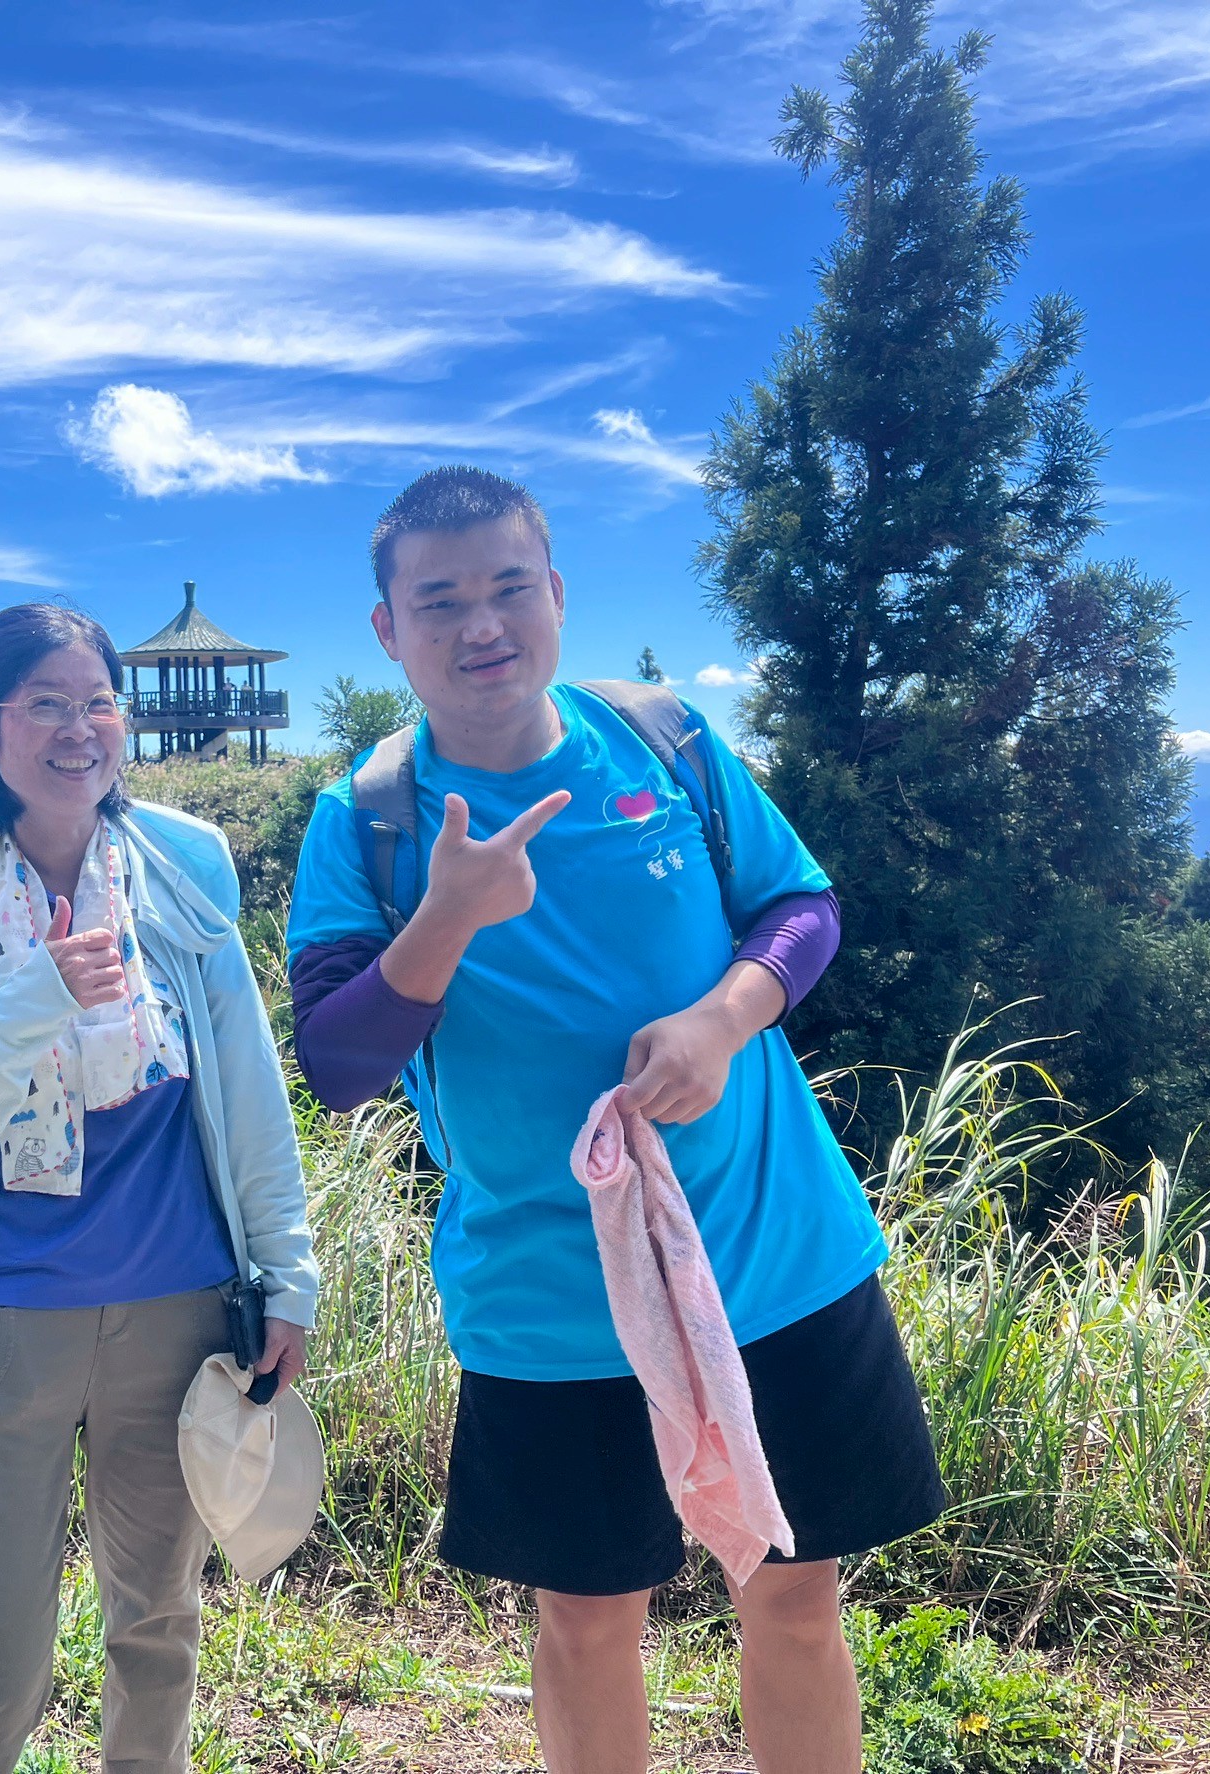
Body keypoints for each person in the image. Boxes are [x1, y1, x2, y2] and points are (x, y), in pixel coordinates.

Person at [286, 468, 945, 1774]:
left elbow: (801, 908)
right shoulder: (366, 821)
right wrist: (446, 913)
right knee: (587, 1624)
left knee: (797, 1595)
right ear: (387, 629)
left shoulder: (663, 738)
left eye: (508, 587)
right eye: (440, 600)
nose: (482, 624)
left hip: (776, 1249)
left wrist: (723, 1019)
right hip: (549, 1293)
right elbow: (339, 1063)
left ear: (556, 592)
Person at [0, 602, 318, 1774]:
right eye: (46, 705)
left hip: (178, 1311)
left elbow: (248, 1090)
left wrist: (288, 1275)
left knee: (159, 1621)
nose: (81, 729)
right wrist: (33, 1002)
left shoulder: (183, 876)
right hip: (0, 1320)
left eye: (99, 702)